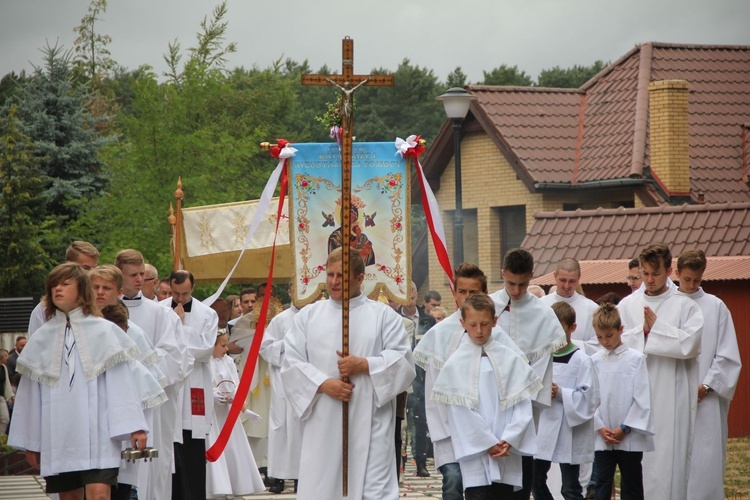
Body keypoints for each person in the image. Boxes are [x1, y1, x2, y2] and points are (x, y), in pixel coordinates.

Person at [281, 247, 415, 500]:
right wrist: (323, 383)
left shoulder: (383, 316)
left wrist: (365, 365)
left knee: (373, 490)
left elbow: (404, 362)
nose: (333, 281)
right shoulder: (309, 316)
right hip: (323, 421)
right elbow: (291, 361)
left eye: (341, 275)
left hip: (370, 420)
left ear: (360, 278)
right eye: (330, 274)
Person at [9, 263, 149, 499]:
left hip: (99, 433)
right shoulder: (41, 338)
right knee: (70, 497)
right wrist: (31, 441)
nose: (58, 289)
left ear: (82, 290)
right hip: (60, 433)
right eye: (54, 284)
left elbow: (120, 383)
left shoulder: (104, 331)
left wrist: (134, 425)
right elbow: (30, 394)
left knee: (100, 495)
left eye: (65, 284)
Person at [415, 263, 524, 500]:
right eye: (461, 291)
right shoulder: (440, 334)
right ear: (453, 293)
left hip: (492, 430)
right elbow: (436, 391)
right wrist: (450, 431)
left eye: (473, 293)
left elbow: (515, 387)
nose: (466, 298)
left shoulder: (499, 338)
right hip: (450, 431)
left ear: (484, 294)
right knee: (453, 483)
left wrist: (498, 435)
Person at [616, 243, 702, 499]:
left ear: (670, 270)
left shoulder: (685, 306)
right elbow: (616, 343)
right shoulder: (627, 304)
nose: (650, 280)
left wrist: (657, 329)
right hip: (635, 393)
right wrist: (643, 331)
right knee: (636, 466)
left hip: (671, 395)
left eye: (656, 274)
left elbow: (690, 345)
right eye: (645, 273)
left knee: (668, 458)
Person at [434, 294, 540, 498]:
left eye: (484, 324)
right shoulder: (455, 364)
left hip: (506, 450)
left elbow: (522, 402)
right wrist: (487, 442)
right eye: (473, 325)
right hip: (477, 453)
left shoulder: (510, 358)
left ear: (495, 321)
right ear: (463, 323)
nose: (479, 331)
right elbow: (459, 410)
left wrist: (510, 438)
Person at [489, 248, 567, 500]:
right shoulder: (489, 306)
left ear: (532, 276)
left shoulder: (543, 313)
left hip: (524, 403)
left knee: (521, 472)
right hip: (491, 398)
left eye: (523, 284)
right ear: (502, 274)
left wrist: (519, 392)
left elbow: (542, 364)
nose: (516, 290)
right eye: (510, 283)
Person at [115, 249, 186, 500]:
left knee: (153, 467)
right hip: (115, 398)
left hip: (151, 399)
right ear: (118, 275)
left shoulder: (160, 313)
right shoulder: (105, 310)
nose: (138, 280)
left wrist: (139, 370)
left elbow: (173, 355)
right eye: (132, 275)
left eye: (141, 274)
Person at [676, 250, 742, 500]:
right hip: (674, 397)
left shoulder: (716, 307)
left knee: (706, 459)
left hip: (707, 399)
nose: (691, 285)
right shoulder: (668, 304)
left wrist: (706, 387)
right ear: (676, 273)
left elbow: (727, 356)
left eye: (696, 280)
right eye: (687, 279)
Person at [99, 302, 168, 500]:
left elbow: (146, 396)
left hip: (124, 443)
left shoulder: (132, 363)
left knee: (123, 490)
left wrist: (137, 428)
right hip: (97, 443)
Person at [532, 302, 599, 500]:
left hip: (569, 430)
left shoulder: (581, 360)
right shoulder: (540, 357)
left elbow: (590, 399)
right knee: (536, 481)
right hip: (542, 426)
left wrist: (561, 393)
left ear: (572, 328)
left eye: (560, 328)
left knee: (570, 488)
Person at [162, 269, 218, 500]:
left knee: (193, 451)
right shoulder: (160, 309)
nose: (180, 299)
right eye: (176, 293)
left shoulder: (208, 314)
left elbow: (205, 350)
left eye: (185, 293)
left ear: (192, 288)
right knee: (169, 450)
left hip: (194, 384)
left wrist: (180, 327)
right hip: (170, 386)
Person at [591, 304, 653, 500]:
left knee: (632, 484)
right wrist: (599, 426)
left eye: (609, 335)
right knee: (601, 483)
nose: (604, 341)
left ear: (620, 330)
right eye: (599, 337)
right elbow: (590, 397)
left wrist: (624, 428)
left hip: (628, 435)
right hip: (602, 436)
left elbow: (642, 397)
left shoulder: (635, 359)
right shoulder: (594, 360)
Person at [206, 331, 265, 498]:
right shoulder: (205, 363)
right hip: (212, 415)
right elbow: (202, 385)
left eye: (226, 345)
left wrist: (244, 408)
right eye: (222, 345)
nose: (226, 349)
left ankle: (233, 485)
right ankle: (216, 486)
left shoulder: (229, 362)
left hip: (227, 414)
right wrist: (211, 395)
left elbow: (237, 386)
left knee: (232, 448)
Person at [259, 299, 303, 493]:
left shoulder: (319, 315)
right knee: (281, 427)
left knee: (304, 429)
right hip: (283, 380)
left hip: (308, 381)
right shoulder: (280, 320)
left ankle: (303, 477)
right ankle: (278, 476)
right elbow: (265, 348)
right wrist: (287, 343)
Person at [398, 281, 436, 478]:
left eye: (412, 295)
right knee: (402, 421)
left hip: (422, 377)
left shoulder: (428, 321)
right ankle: (400, 461)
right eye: (406, 295)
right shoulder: (394, 318)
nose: (410, 299)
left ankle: (421, 462)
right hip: (403, 378)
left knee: (421, 421)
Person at [27, 241, 100, 337]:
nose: (91, 273)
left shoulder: (100, 300)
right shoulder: (42, 310)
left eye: (95, 268)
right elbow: (36, 345)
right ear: (69, 265)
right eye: (86, 268)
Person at [540, 258, 600, 348]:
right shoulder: (540, 305)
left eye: (572, 281)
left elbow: (598, 344)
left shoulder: (592, 309)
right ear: (555, 276)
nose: (567, 286)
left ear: (579, 278)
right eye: (563, 280)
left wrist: (568, 345)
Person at [0, 349, 12, 435]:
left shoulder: (4, 368)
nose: (8, 358)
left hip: (1, 397)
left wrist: (10, 395)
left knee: (5, 419)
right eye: (6, 355)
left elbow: (7, 383)